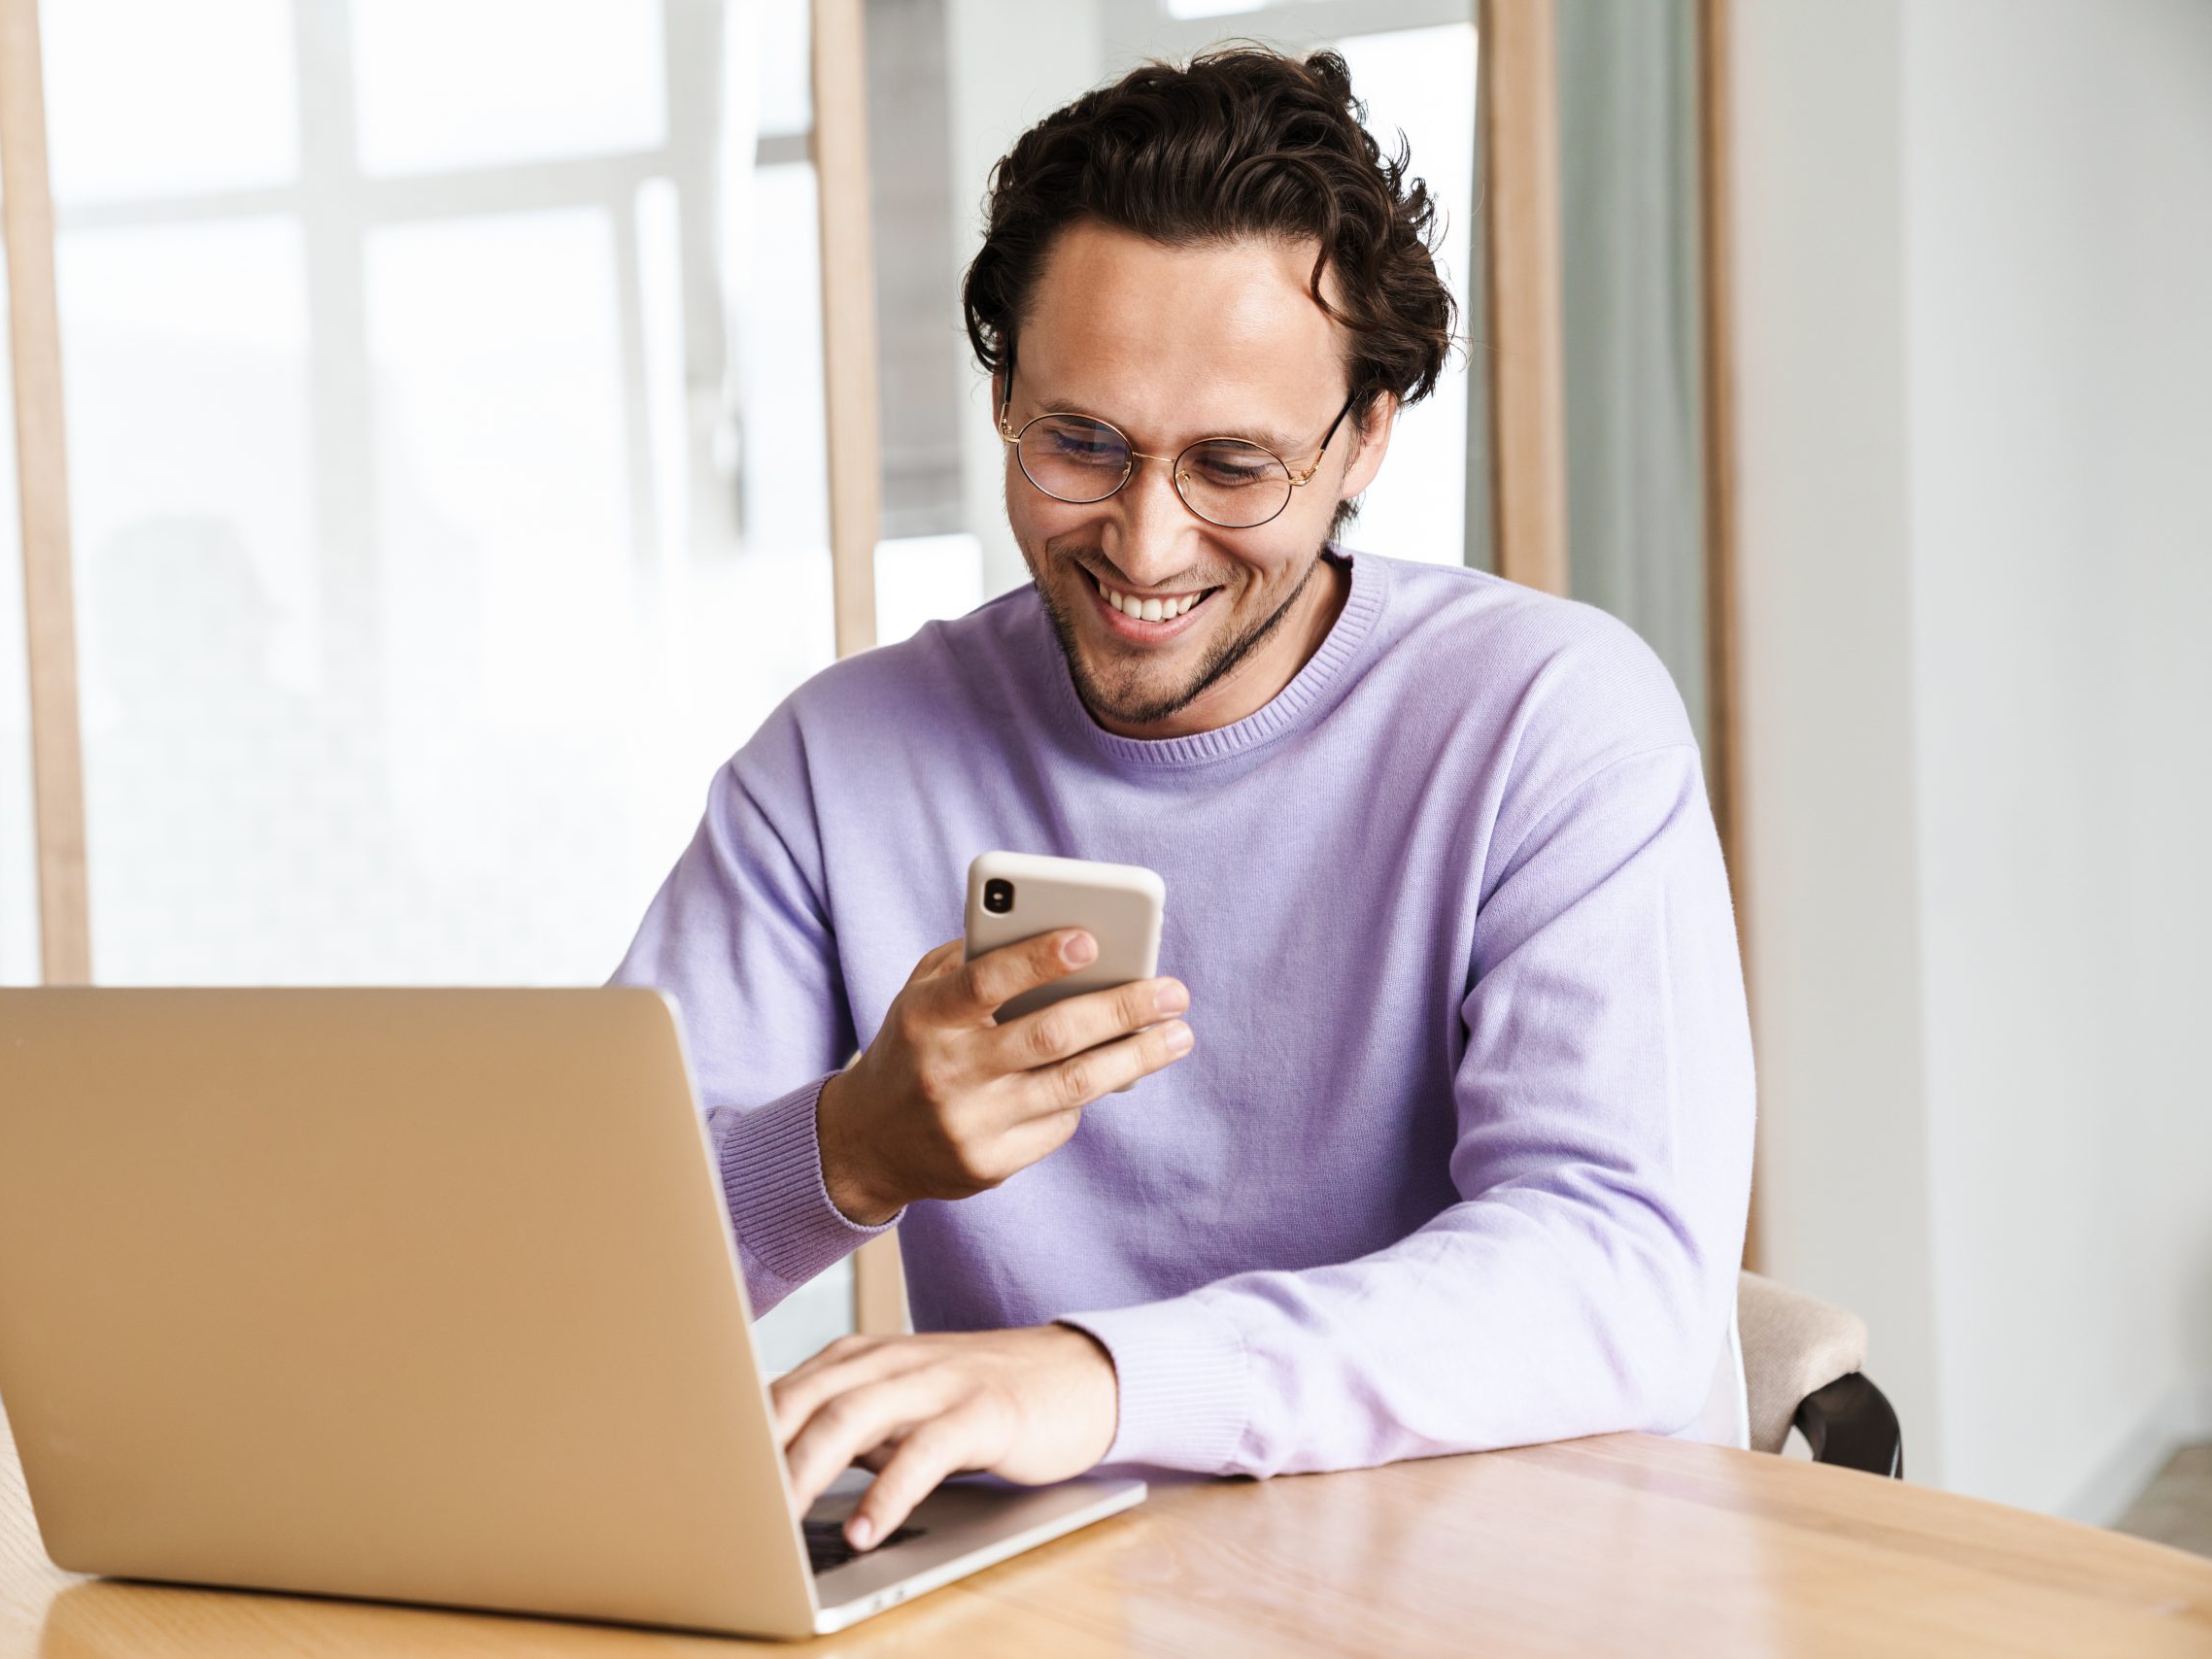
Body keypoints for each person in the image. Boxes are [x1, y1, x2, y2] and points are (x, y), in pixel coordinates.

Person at [610, 44, 1753, 1552]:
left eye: (1233, 466)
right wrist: (847, 1151)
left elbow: (1620, 1272)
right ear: (1005, 394)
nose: (1145, 546)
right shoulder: (838, 764)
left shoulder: (1550, 721)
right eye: (1079, 443)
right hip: (1063, 1597)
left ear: (1366, 435)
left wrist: (1097, 1378)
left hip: (1516, 1577)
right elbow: (583, 1266)